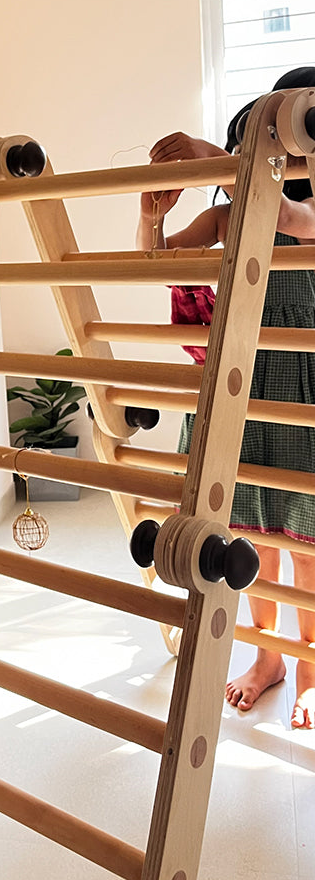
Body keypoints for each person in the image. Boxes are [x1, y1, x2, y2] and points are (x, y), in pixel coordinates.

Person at [137, 75, 315, 730]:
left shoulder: (306, 214)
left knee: (306, 545)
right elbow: (159, 263)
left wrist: (218, 154)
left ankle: (307, 668)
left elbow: (291, 218)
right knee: (257, 537)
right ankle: (269, 658)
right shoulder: (227, 217)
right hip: (245, 384)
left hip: (301, 393)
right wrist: (153, 211)